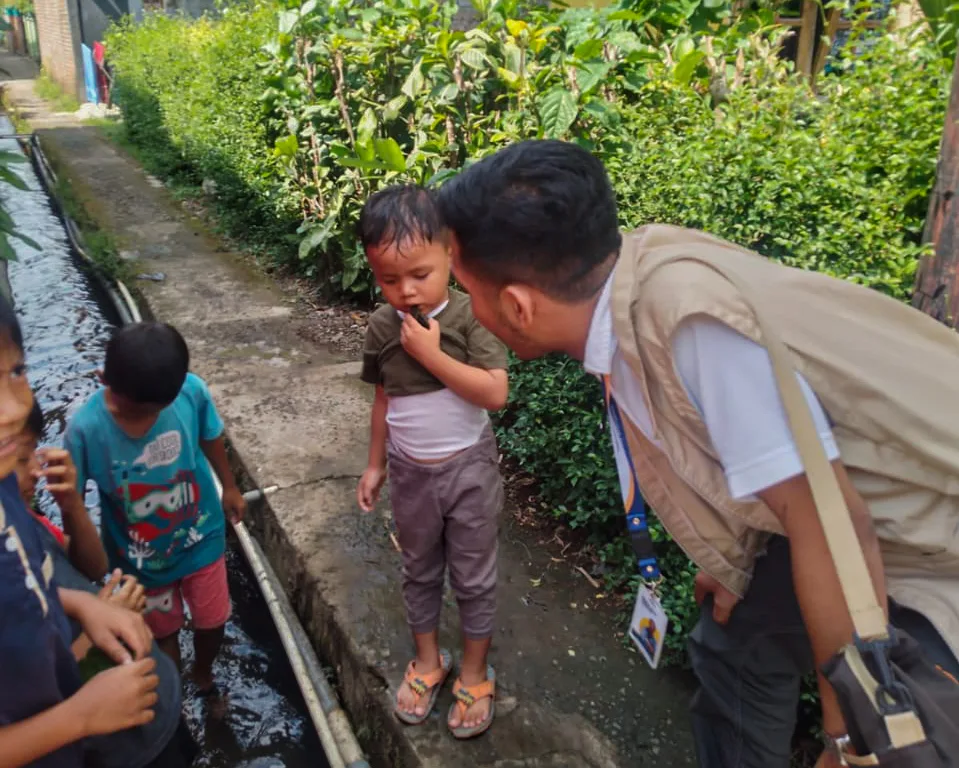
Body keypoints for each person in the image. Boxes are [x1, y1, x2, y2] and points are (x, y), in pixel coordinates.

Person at [435, 139, 959, 767]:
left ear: (517, 304)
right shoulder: (633, 284)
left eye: (466, 289)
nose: (464, 306)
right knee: (732, 638)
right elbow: (751, 452)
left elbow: (831, 520)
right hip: (850, 519)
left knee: (910, 747)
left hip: (930, 547)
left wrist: (848, 741)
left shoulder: (690, 324)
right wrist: (735, 553)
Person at [355, 185, 509, 738]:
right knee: (418, 569)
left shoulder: (472, 316)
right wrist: (376, 464)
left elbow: (494, 393)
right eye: (388, 280)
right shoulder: (381, 325)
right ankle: (427, 662)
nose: (405, 291)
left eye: (419, 273)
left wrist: (432, 354)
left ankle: (473, 670)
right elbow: (383, 398)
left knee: (473, 575)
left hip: (468, 470)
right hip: (411, 472)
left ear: (451, 255)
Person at [0, 293, 160, 768]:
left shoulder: (7, 488)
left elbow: (42, 578)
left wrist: (85, 603)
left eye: (15, 371)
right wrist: (80, 717)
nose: (12, 407)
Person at [65, 321, 246, 695]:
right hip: (140, 560)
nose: (143, 424)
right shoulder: (85, 432)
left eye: (152, 414)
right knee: (161, 632)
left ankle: (204, 674)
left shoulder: (190, 393)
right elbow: (75, 506)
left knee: (212, 620)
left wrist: (229, 486)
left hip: (202, 533)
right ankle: (172, 693)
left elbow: (210, 435)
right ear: (104, 380)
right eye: (133, 414)